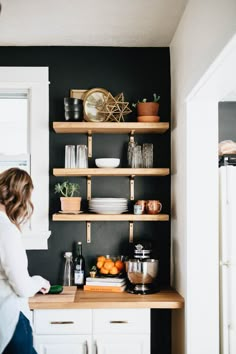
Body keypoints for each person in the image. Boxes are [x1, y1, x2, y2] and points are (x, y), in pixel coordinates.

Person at [0, 168, 50, 354]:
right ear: (20, 196)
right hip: (10, 320)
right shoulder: (7, 230)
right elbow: (21, 287)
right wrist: (39, 282)